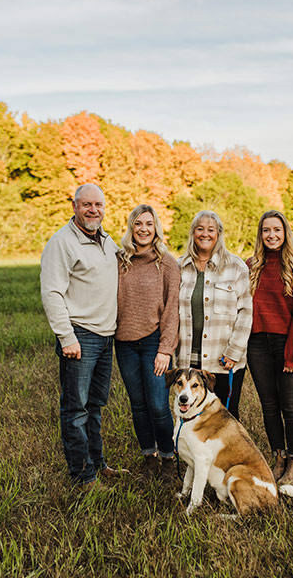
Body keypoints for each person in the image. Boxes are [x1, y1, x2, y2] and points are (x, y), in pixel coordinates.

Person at [40, 183, 127, 491]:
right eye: (87, 204)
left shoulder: (106, 240)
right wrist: (66, 337)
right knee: (75, 408)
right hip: (80, 336)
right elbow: (51, 292)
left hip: (105, 337)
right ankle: (83, 477)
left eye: (98, 205)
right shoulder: (62, 243)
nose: (94, 210)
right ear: (74, 206)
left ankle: (98, 463)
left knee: (94, 406)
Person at [115, 204, 180, 480]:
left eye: (149, 224)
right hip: (124, 343)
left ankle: (168, 457)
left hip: (154, 341)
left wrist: (166, 349)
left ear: (156, 228)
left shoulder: (167, 263)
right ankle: (149, 457)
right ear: (131, 228)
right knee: (138, 404)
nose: (143, 229)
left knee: (157, 405)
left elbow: (172, 308)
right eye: (138, 224)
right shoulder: (120, 261)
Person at [246, 210, 293, 486]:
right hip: (257, 344)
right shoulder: (251, 266)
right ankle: (279, 457)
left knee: (291, 408)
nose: (271, 235)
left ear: (285, 233)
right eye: (266, 231)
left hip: (287, 343)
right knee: (269, 406)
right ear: (260, 235)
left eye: (277, 230)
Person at [176, 210, 252, 420]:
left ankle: (228, 454)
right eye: (200, 229)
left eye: (211, 230)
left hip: (223, 357)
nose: (205, 234)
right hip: (188, 358)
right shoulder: (179, 266)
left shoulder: (236, 266)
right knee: (191, 415)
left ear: (218, 234)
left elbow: (246, 312)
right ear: (193, 233)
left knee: (224, 415)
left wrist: (233, 352)